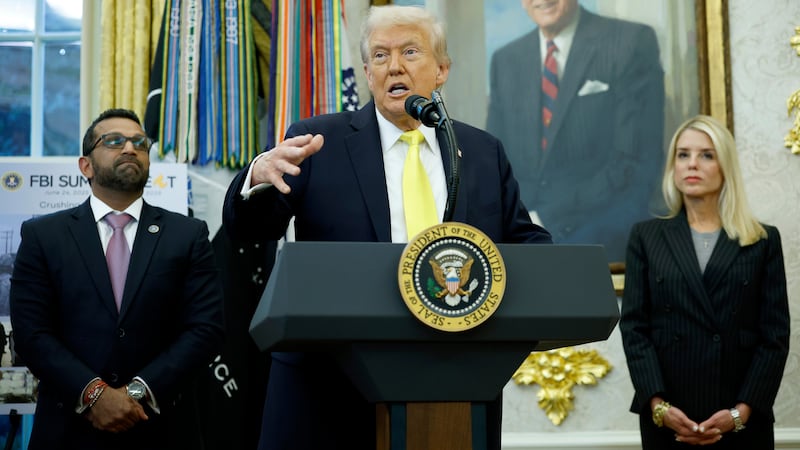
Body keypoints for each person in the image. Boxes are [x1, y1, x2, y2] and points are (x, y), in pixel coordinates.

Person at [222, 5, 552, 450]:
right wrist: (257, 176)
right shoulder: (321, 141)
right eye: (380, 56)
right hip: (332, 383)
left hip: (456, 378)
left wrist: (548, 272)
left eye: (410, 52)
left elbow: (527, 245)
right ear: (366, 72)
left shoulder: (480, 151)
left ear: (441, 70)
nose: (394, 66)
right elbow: (252, 229)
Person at [10, 108, 225, 450]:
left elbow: (205, 329)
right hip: (70, 428)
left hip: (162, 427)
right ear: (86, 165)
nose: (130, 148)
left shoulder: (188, 234)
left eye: (140, 142)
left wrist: (137, 391)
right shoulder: (43, 235)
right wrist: (94, 394)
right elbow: (32, 334)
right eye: (114, 141)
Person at [619, 115, 790, 449]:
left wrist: (741, 412)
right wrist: (658, 407)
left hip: (741, 419)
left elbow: (774, 337)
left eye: (706, 155)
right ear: (673, 166)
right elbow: (635, 330)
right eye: (683, 155)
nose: (692, 164)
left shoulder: (762, 240)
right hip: (669, 415)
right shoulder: (646, 237)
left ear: (725, 166)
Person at [486, 0, 665, 262]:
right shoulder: (505, 60)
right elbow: (495, 162)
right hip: (521, 249)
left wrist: (545, 217)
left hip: (602, 243)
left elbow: (633, 162)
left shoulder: (631, 42)